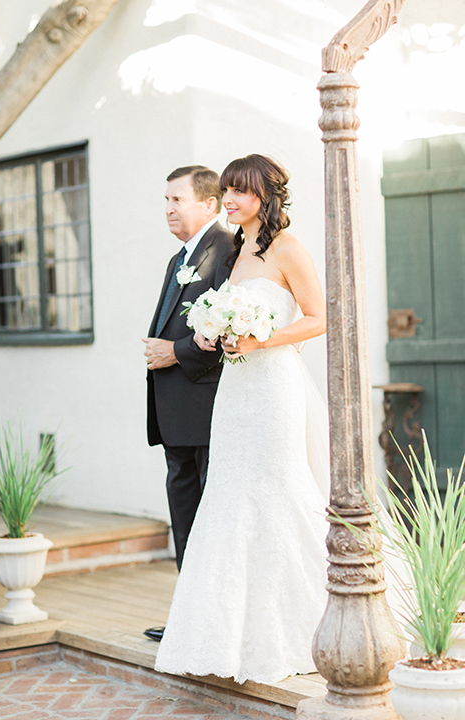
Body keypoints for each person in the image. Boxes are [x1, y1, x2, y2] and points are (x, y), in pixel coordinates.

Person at [154, 154, 331, 684]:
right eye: (227, 190)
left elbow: (319, 318)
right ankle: (226, 632)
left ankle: (314, 622)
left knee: (279, 490)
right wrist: (210, 333)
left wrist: (263, 339)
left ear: (267, 197)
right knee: (229, 496)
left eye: (241, 192)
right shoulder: (233, 252)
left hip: (274, 386)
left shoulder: (287, 248)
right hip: (235, 389)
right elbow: (220, 312)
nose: (230, 199)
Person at [142, 166, 233, 640]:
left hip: (205, 407)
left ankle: (209, 620)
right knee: (184, 508)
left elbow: (226, 332)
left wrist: (170, 352)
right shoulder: (180, 257)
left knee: (207, 509)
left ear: (209, 204)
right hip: (175, 410)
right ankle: (190, 615)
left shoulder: (225, 252)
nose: (168, 208)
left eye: (177, 199)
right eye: (166, 199)